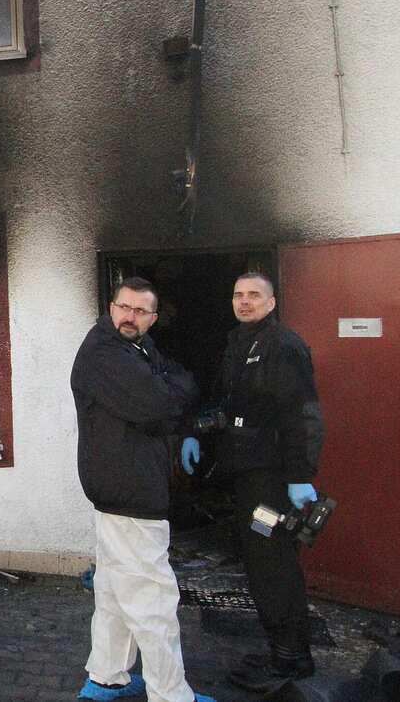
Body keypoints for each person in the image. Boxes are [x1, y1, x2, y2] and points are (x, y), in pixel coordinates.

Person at [70, 277, 215, 702]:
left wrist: (168, 392)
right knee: (152, 595)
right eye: (124, 307)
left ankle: (106, 676)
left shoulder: (137, 348)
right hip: (128, 486)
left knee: (114, 587)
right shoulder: (104, 353)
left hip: (120, 484)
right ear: (110, 306)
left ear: (153, 318)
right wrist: (169, 394)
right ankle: (171, 694)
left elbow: (179, 381)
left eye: (140, 311)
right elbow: (156, 402)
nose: (129, 317)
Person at [181, 272, 325, 693]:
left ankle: (292, 657)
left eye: (253, 295)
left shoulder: (283, 346)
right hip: (247, 477)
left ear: (272, 301)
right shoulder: (240, 343)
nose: (244, 302)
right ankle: (280, 648)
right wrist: (195, 429)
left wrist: (300, 477)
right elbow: (226, 403)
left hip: (273, 480)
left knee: (272, 564)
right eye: (238, 295)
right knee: (260, 563)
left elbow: (305, 415)